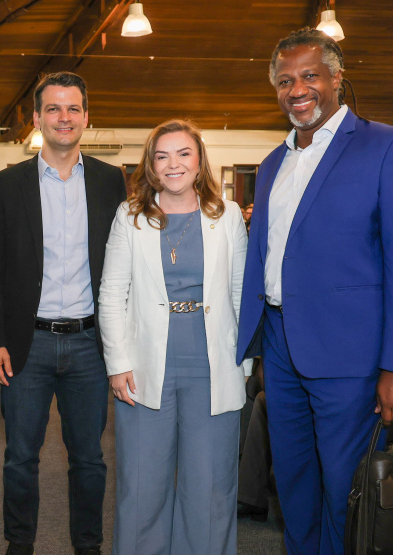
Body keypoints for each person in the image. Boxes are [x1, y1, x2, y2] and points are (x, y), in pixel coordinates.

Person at [236, 28, 393, 555]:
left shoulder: (390, 145)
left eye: (308, 75)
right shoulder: (274, 162)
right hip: (279, 346)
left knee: (347, 492)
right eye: (284, 80)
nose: (296, 89)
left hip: (352, 354)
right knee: (294, 487)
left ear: (337, 78)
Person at [0, 71, 126, 555]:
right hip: (26, 344)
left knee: (90, 459)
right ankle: (18, 545)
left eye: (73, 108)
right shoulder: (6, 186)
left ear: (87, 116)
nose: (64, 117)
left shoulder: (110, 181)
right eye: (54, 108)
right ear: (37, 117)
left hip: (88, 343)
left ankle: (89, 545)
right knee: (20, 457)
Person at [98, 119, 249, 554]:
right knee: (142, 488)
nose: (174, 163)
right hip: (145, 370)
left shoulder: (229, 215)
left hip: (213, 367)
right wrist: (117, 363)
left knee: (210, 490)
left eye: (184, 153)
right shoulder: (130, 217)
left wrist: (245, 363)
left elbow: (239, 292)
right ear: (151, 165)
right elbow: (111, 294)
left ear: (199, 160)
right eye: (162, 156)